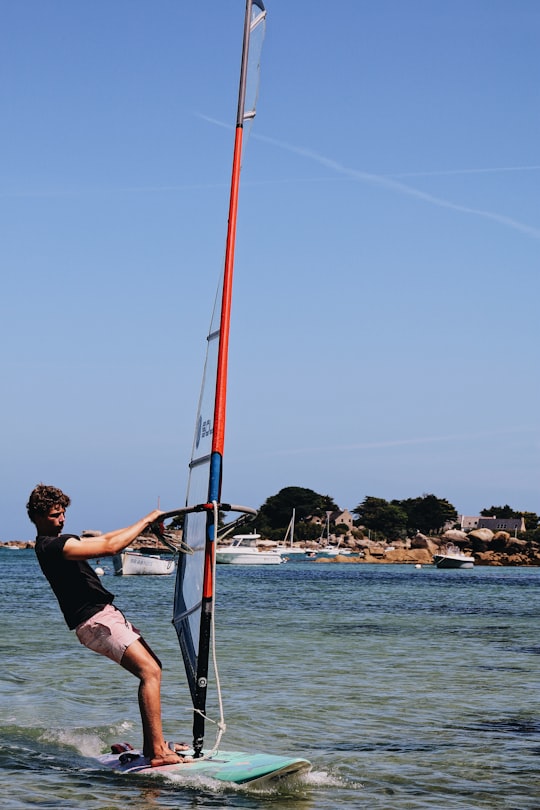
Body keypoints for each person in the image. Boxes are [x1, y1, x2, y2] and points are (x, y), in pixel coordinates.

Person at [26, 483, 190, 768]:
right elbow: (111, 547)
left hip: (103, 616)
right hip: (96, 621)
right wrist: (147, 520)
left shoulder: (63, 540)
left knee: (154, 667)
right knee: (149, 671)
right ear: (37, 517)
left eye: (63, 513)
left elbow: (111, 537)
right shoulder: (52, 546)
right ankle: (157, 752)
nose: (62, 519)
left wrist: (143, 525)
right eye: (55, 515)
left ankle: (156, 743)